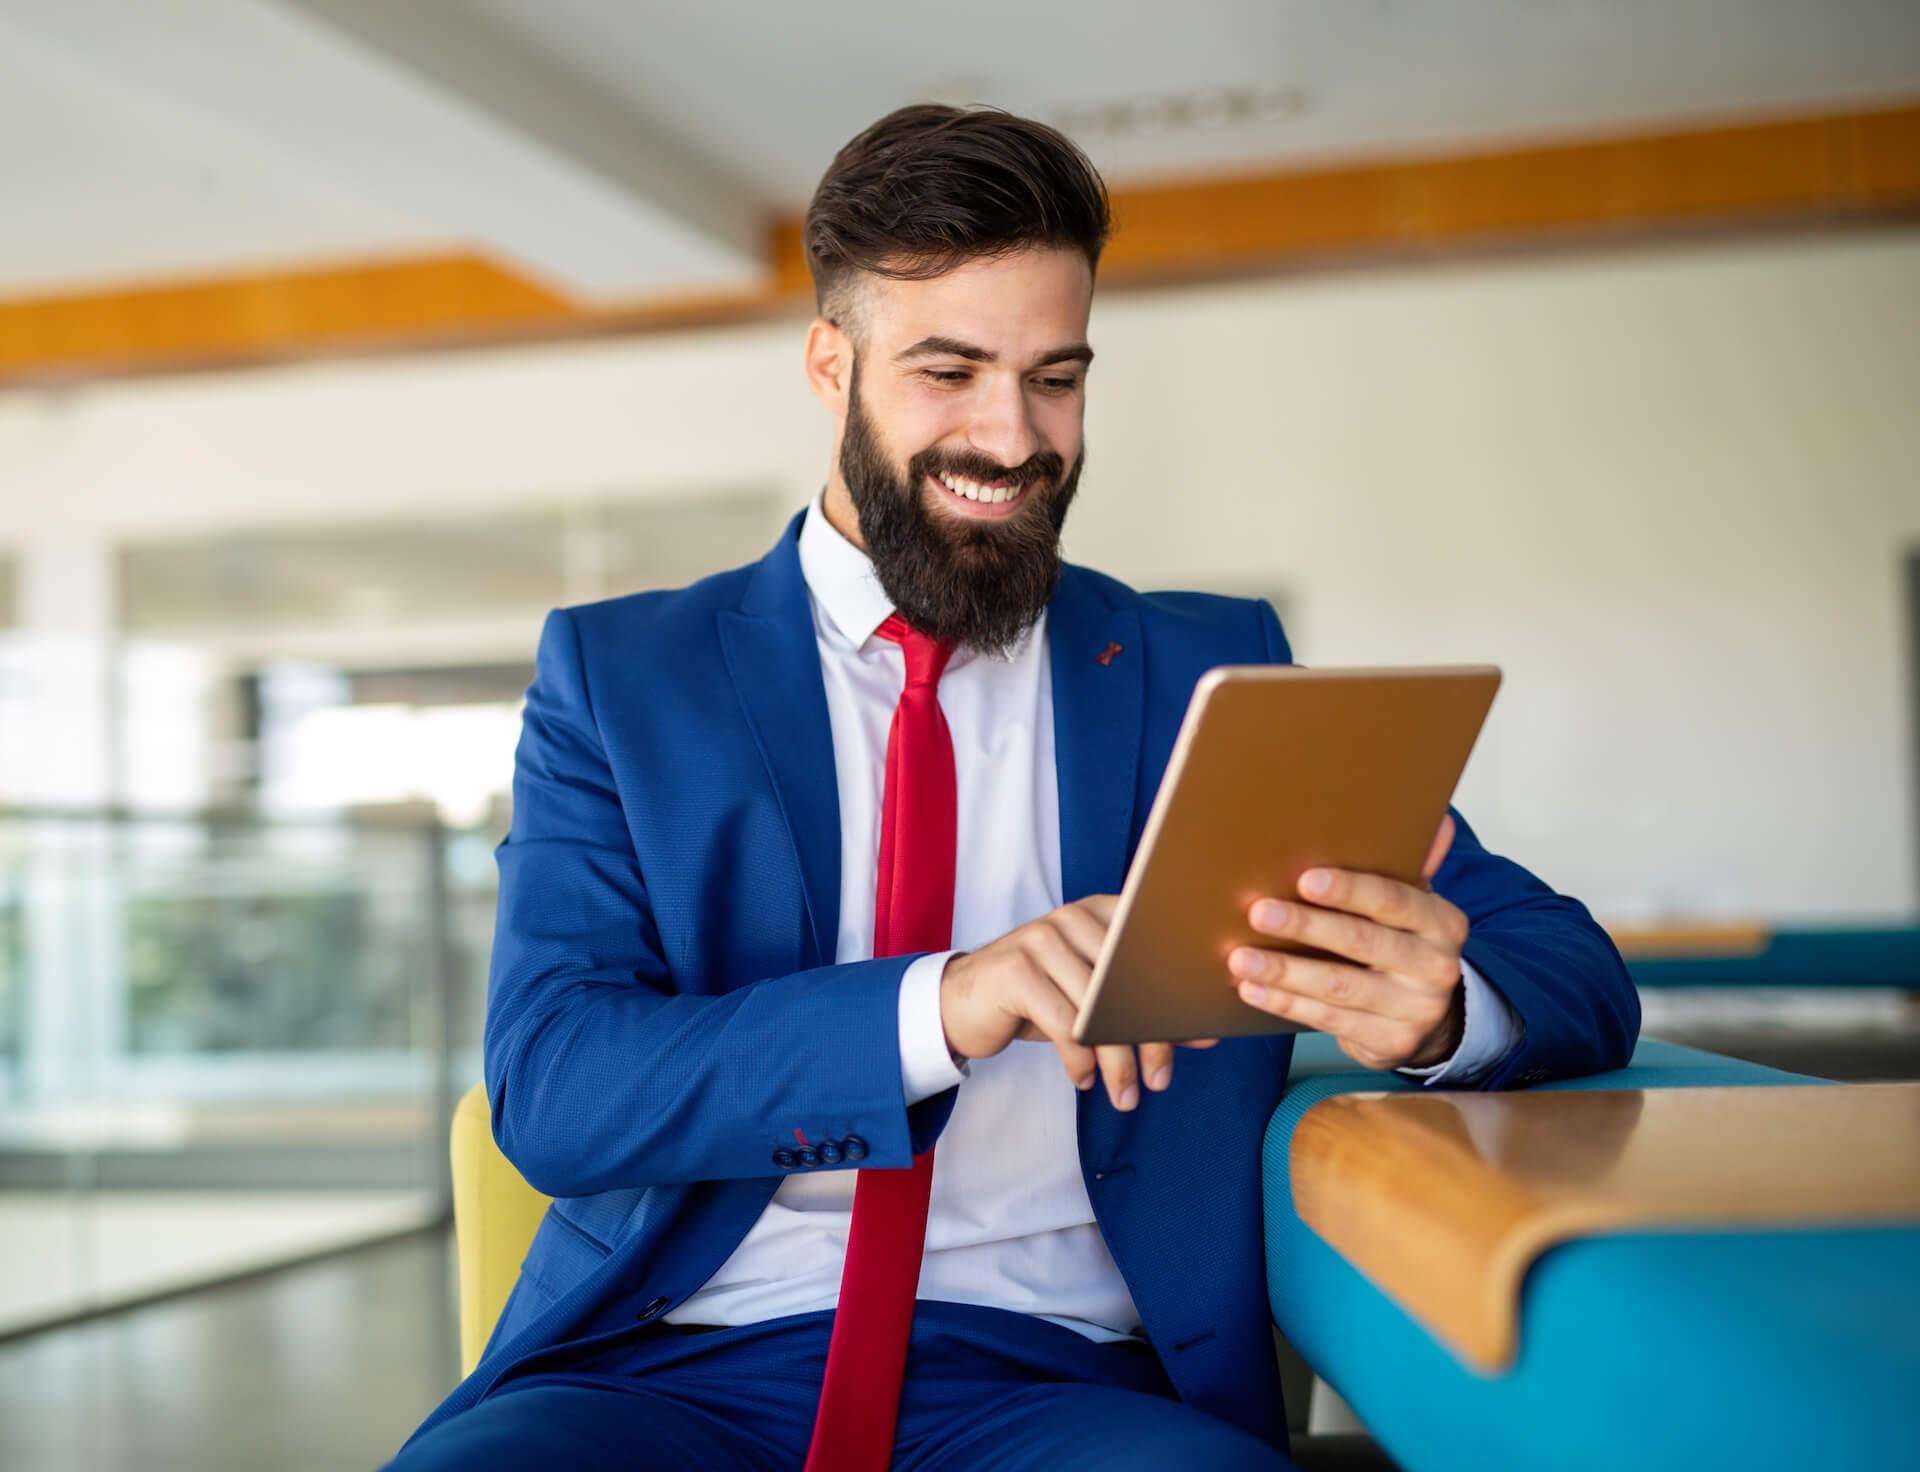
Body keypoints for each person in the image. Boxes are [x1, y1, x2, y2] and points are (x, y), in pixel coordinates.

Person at [387, 105, 1638, 1472]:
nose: (1013, 435)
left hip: (1068, 1386)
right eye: (949, 370)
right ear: (830, 364)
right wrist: (947, 1002)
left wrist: (1449, 1006)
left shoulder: (1208, 670)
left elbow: (1569, 969)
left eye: (1057, 376)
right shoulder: (626, 682)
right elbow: (558, 1088)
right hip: (660, 1376)